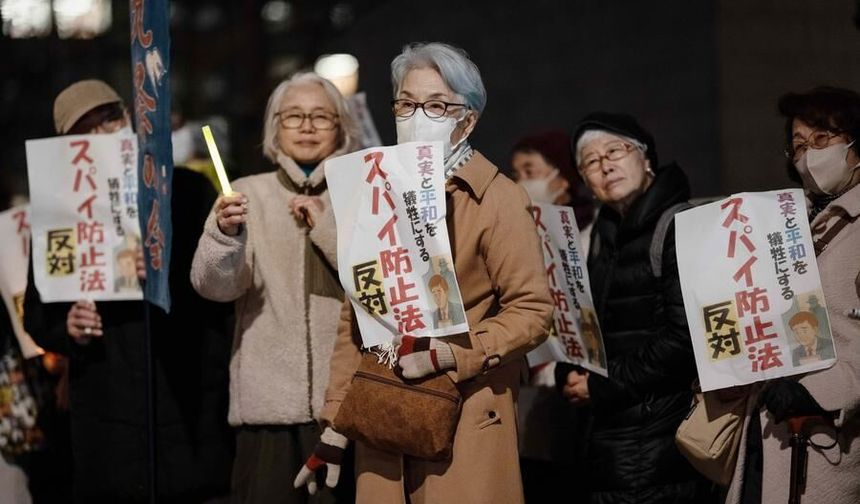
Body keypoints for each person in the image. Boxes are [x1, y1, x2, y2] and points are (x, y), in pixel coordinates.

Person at [295, 42, 553, 504]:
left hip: (466, 412)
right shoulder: (377, 190)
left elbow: (533, 310)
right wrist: (336, 425)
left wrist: (457, 355)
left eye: (436, 105)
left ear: (467, 119)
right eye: (407, 103)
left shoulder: (497, 198)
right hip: (383, 417)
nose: (417, 115)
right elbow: (357, 315)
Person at [24, 79, 235, 503]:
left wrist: (165, 272)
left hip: (187, 403)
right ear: (68, 148)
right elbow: (38, 312)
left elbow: (223, 288)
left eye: (109, 119)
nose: (102, 135)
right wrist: (69, 328)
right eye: (85, 130)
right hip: (107, 415)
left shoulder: (188, 190)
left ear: (129, 120)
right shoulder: (57, 215)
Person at [191, 72, 360, 504]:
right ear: (275, 127)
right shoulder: (245, 193)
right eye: (294, 116)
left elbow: (374, 282)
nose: (306, 126)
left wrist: (325, 224)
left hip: (347, 408)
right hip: (264, 411)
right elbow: (214, 287)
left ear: (341, 126)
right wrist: (223, 236)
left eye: (321, 116)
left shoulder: (362, 192)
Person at [558, 112, 715, 503]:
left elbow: (686, 339)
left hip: (662, 435)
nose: (605, 165)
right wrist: (570, 369)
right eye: (591, 161)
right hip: (607, 438)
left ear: (646, 159)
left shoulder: (678, 225)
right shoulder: (600, 235)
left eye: (615, 150)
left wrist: (600, 385)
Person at [726, 86, 860, 504]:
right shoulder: (783, 225)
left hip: (828, 436)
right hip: (765, 427)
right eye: (799, 145)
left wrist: (825, 390)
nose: (810, 154)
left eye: (823, 139)